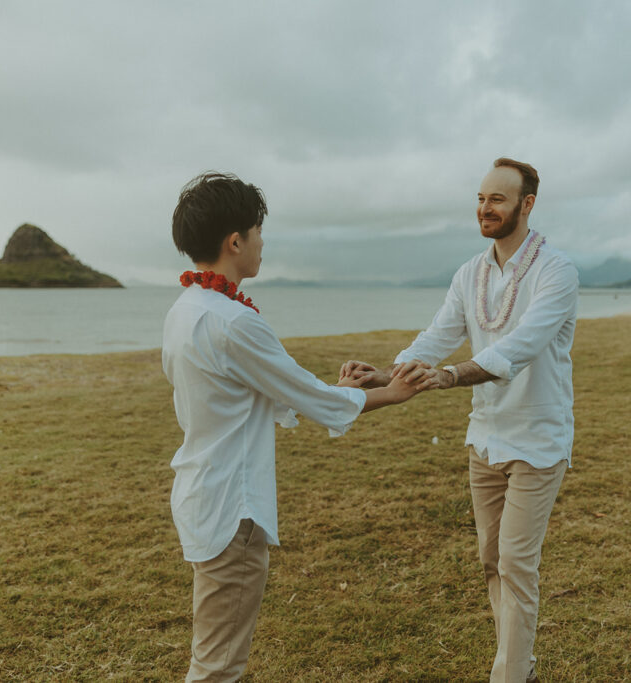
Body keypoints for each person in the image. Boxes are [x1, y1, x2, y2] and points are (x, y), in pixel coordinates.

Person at [163, 171, 435, 682]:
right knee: (218, 666)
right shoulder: (232, 321)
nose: (263, 242)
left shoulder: (185, 311)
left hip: (201, 494)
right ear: (236, 240)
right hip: (231, 507)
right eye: (258, 231)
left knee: (214, 655)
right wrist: (392, 392)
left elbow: (254, 393)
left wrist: (331, 390)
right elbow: (308, 398)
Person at [341, 158, 579, 683]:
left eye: (497, 199)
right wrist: (386, 375)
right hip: (485, 439)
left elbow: (523, 345)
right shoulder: (469, 273)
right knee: (491, 560)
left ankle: (510, 674)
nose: (484, 208)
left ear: (527, 204)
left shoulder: (557, 270)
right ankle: (521, 665)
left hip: (538, 439)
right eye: (480, 198)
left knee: (517, 562)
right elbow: (439, 334)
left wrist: (450, 377)